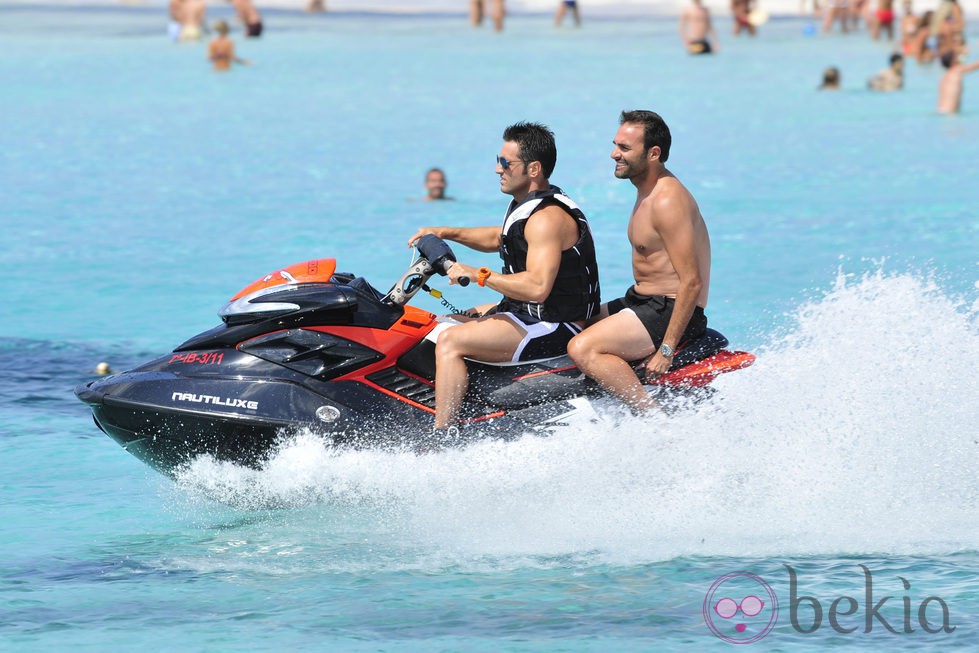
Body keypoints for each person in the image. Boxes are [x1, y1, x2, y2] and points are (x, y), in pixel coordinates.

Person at [408, 122, 601, 436]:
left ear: (533, 168)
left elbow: (537, 288)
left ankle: (442, 436)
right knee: (440, 321)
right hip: (529, 313)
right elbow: (500, 238)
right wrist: (443, 233)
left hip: (555, 323)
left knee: (451, 342)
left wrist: (479, 274)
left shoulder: (546, 218)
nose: (497, 169)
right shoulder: (528, 206)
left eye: (505, 163)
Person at [567, 110, 710, 413]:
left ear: (653, 153)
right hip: (643, 299)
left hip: (669, 309)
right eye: (615, 145)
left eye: (624, 148)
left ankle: (651, 419)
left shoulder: (667, 200)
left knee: (581, 347)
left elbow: (692, 281)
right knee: (570, 323)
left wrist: (667, 350)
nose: (613, 154)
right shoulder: (646, 190)